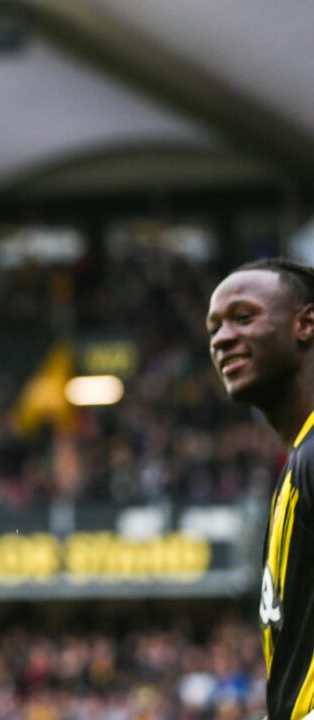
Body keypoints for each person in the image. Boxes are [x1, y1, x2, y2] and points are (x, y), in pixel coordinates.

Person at [208, 258, 314, 719]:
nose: (221, 338)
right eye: (214, 327)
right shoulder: (299, 462)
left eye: (244, 317)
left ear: (306, 324)